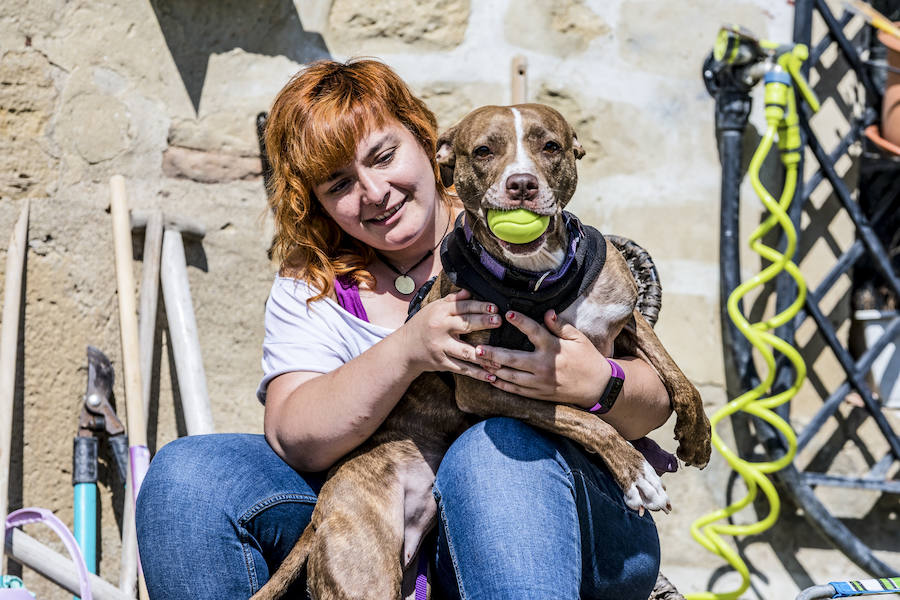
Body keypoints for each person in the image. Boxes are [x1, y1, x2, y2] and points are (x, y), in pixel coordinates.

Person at [136, 58, 672, 600]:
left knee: (491, 450)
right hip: (387, 514)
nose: (374, 191)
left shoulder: (519, 239)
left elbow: (657, 402)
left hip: (556, 521)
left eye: (384, 156)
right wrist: (409, 349)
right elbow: (295, 437)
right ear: (314, 200)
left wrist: (597, 381)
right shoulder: (315, 280)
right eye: (339, 183)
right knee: (187, 475)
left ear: (428, 142)